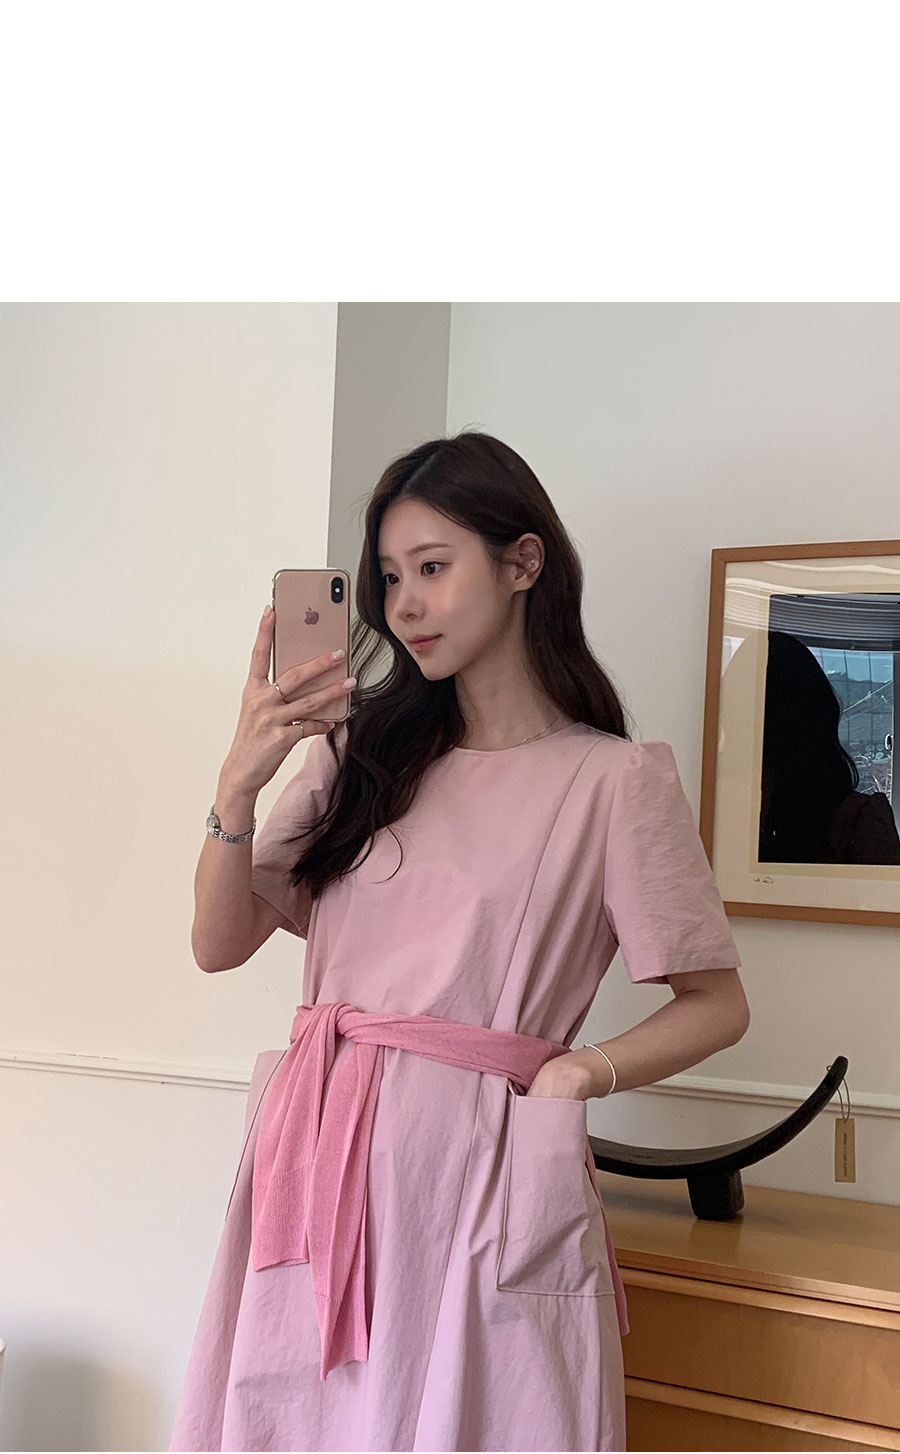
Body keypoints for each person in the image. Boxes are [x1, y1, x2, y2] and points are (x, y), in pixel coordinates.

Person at [169, 430, 749, 1453]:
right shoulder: (360, 754)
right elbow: (218, 944)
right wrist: (239, 783)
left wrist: (577, 1072)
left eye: (433, 568)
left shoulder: (614, 781)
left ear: (523, 563)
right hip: (317, 1145)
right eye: (391, 577)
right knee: (296, 1419)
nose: (405, 605)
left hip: (477, 1169)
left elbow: (718, 1003)